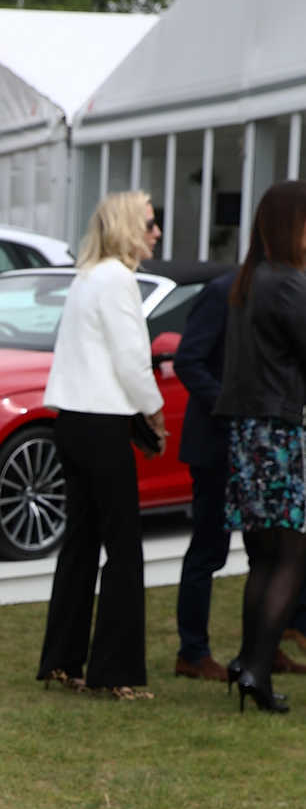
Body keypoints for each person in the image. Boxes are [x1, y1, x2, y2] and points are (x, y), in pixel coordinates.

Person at [36, 190, 166, 700]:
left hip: (73, 421)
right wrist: (153, 411)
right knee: (124, 547)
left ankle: (63, 661)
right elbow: (132, 360)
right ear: (129, 227)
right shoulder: (116, 278)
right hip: (102, 424)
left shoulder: (88, 276)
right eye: (150, 223)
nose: (156, 232)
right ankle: (115, 672)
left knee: (81, 542)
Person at [215, 179, 306, 713]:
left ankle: (250, 663)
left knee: (265, 557)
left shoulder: (248, 282)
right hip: (280, 431)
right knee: (292, 554)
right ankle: (255, 666)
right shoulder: (288, 283)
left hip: (250, 434)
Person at [172, 271, 234, 680]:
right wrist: (229, 403)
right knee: (208, 550)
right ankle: (192, 652)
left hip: (259, 443)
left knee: (275, 552)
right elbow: (187, 360)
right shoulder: (223, 292)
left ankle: (274, 638)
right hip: (215, 444)